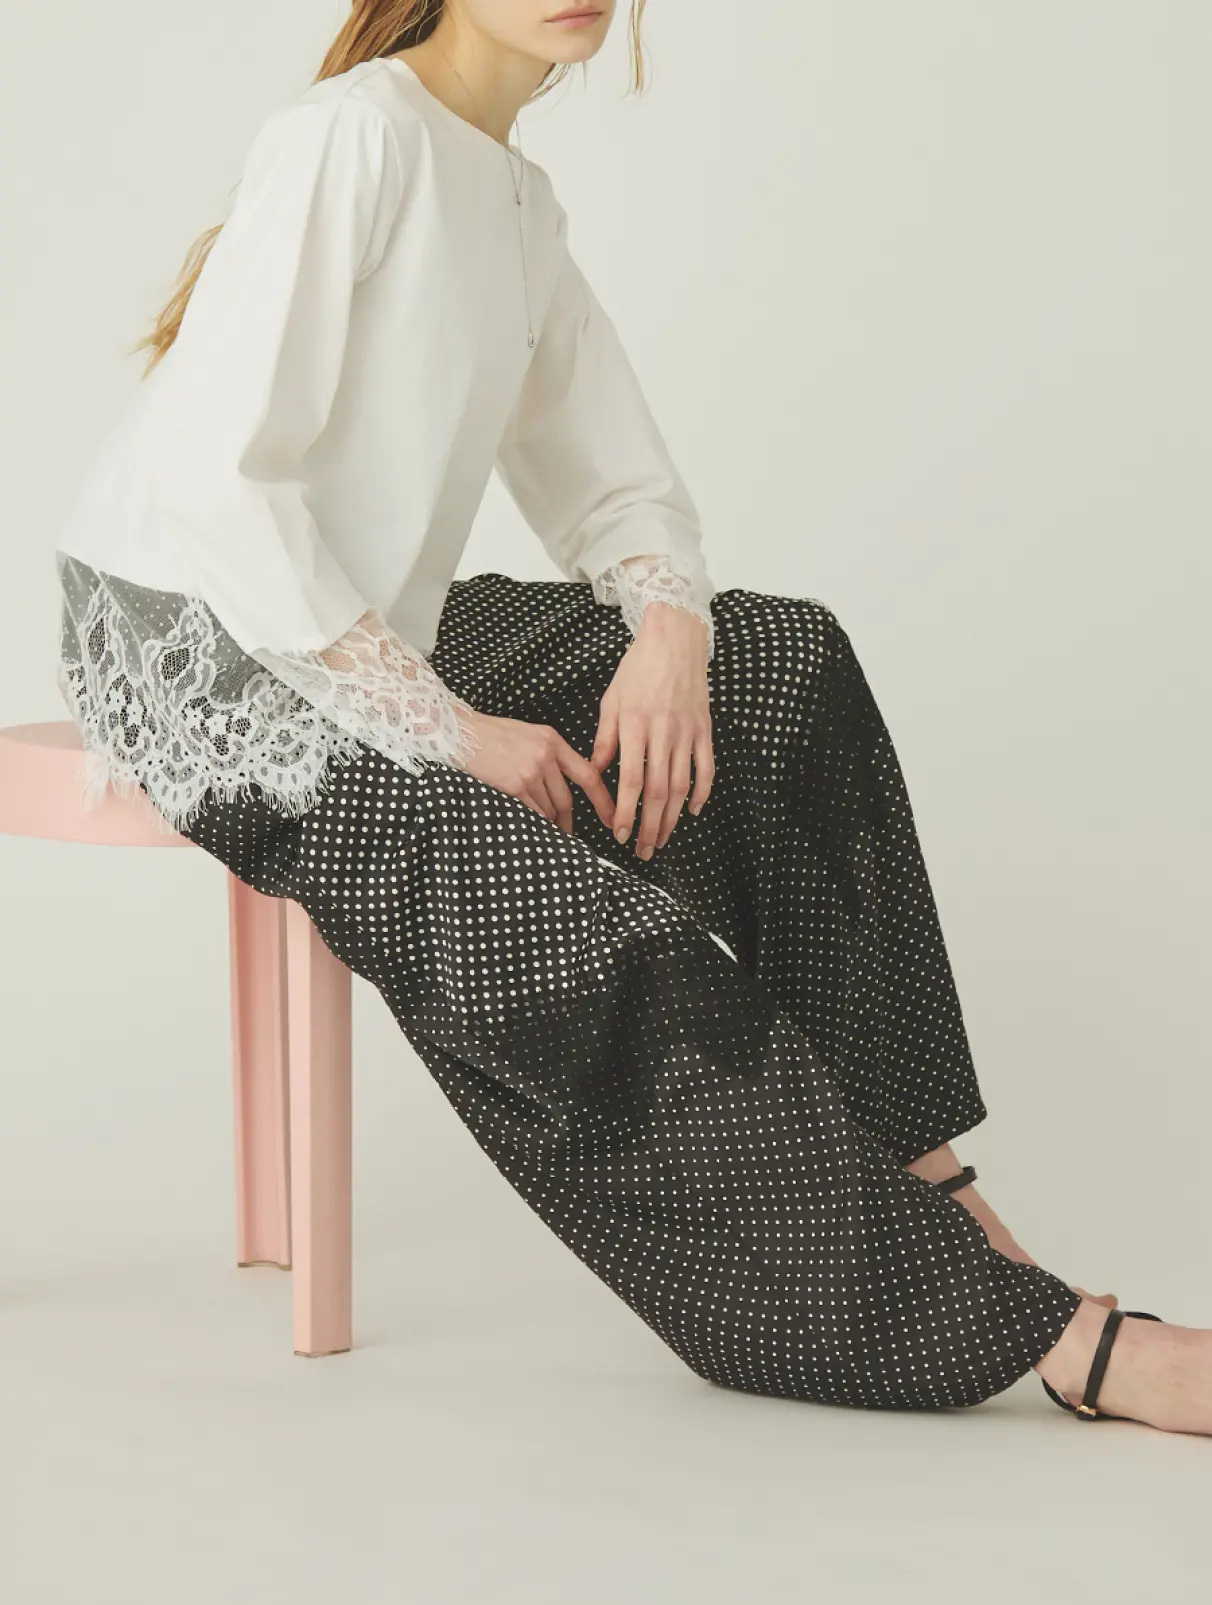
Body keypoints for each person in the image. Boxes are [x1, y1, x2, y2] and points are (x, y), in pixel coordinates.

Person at [51, 1, 1212, 1434]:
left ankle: (922, 1179)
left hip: (365, 616)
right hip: (197, 646)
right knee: (559, 923)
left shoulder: (517, 201)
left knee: (774, 669)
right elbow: (214, 493)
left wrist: (668, 631)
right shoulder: (351, 138)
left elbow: (615, 477)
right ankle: (1051, 1341)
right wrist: (451, 729)